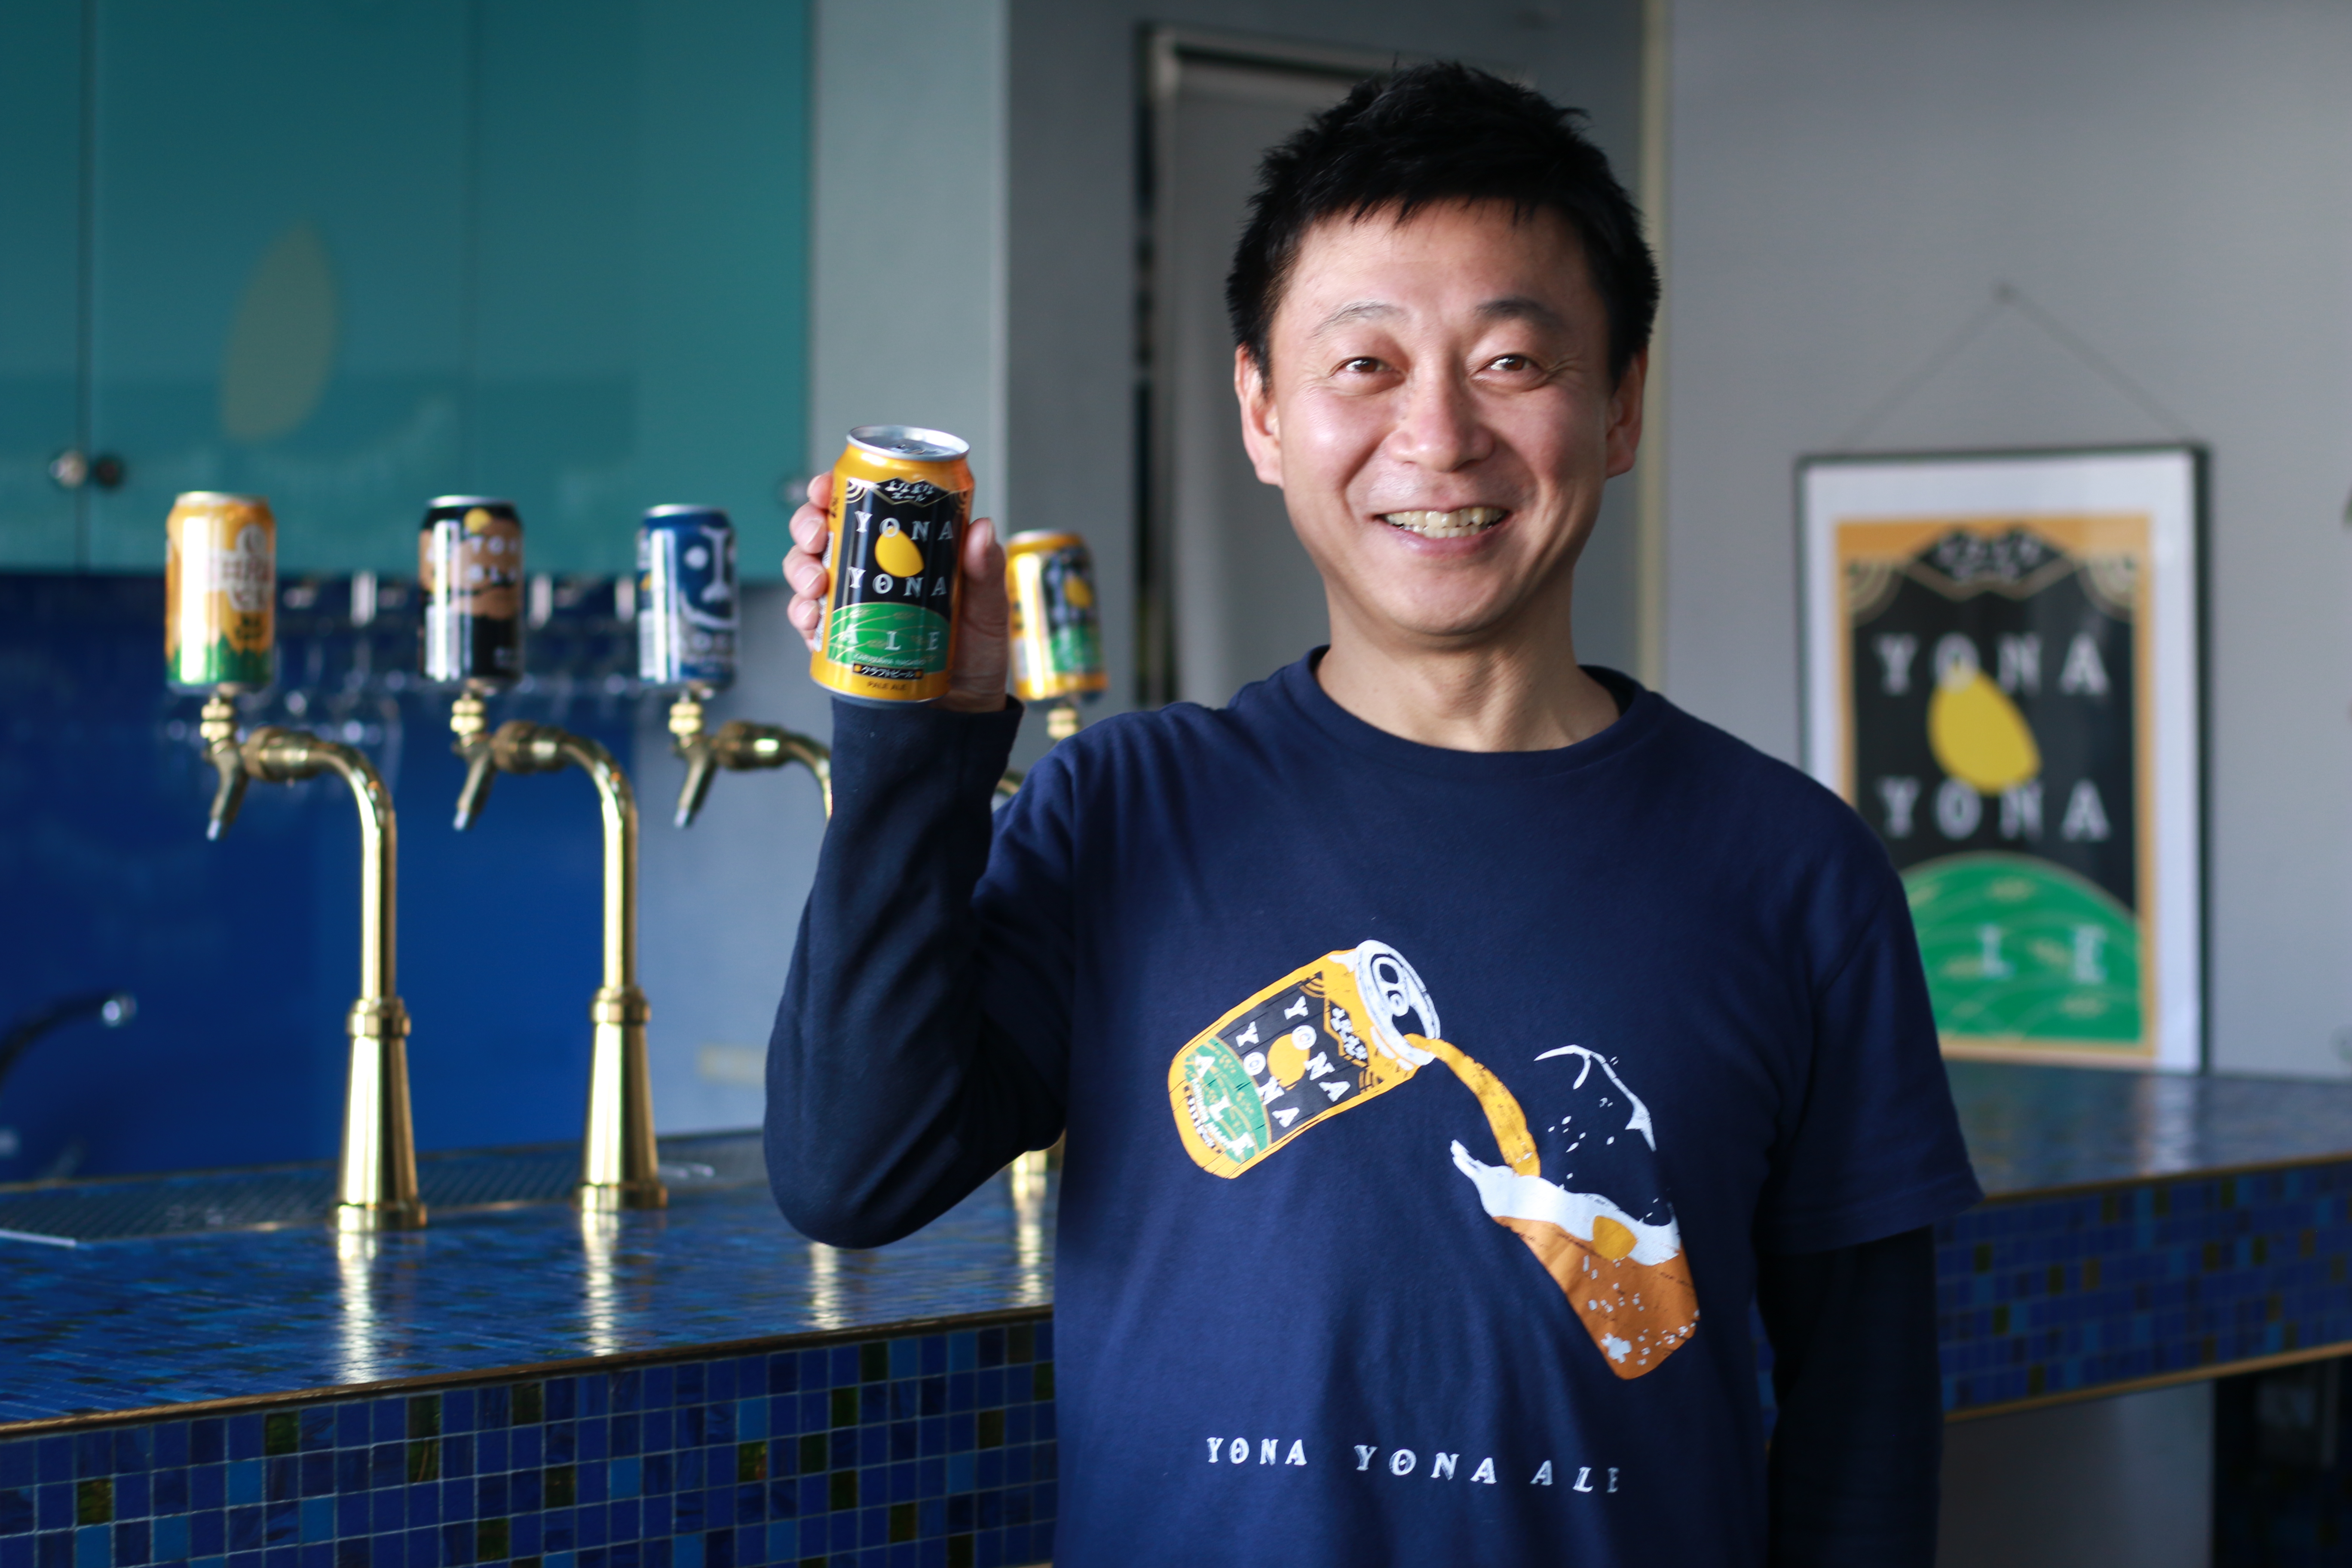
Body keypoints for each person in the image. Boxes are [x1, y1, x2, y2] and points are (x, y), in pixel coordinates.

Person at [769, 61, 1980, 1568]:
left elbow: (1866, 1428)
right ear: (1262, 412)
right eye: (1364, 365)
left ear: (1620, 404)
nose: (1439, 436)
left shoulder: (1794, 871)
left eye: (1513, 362)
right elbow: (854, 1172)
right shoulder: (1128, 810)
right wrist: (917, 735)